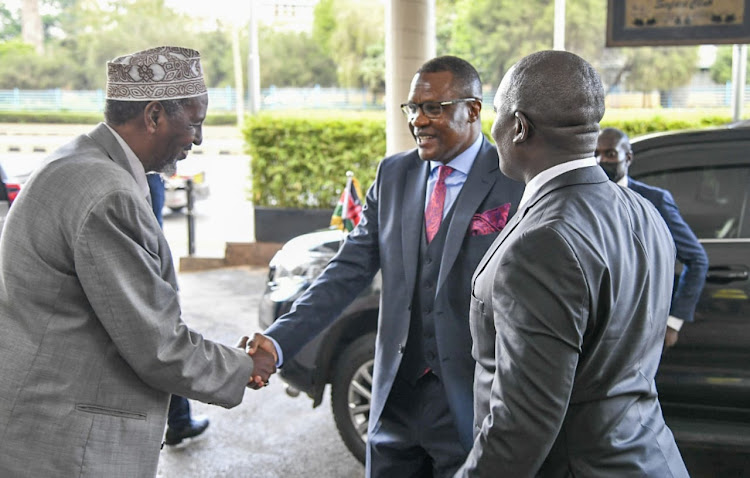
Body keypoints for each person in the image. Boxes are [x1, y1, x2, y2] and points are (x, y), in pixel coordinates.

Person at [0, 46, 275, 477]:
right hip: (65, 446)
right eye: (195, 122)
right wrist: (244, 366)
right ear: (153, 116)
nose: (198, 139)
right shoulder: (109, 194)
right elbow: (157, 344)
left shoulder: (77, 159)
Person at [249, 56, 524, 477]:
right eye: (412, 108)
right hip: (396, 399)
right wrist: (277, 341)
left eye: (433, 108)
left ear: (472, 110)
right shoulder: (394, 174)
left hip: (475, 404)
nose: (418, 120)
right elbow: (346, 271)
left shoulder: (513, 180)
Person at [455, 50, 689, 477]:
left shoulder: (541, 244)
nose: (492, 129)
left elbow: (522, 425)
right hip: (652, 458)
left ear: (519, 127)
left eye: (496, 114)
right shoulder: (643, 211)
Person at [596, 127, 708, 348]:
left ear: (627, 158)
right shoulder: (580, 199)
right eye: (594, 154)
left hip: (638, 330)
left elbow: (697, 259)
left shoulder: (654, 201)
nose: (600, 161)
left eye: (610, 154)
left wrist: (673, 322)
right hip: (593, 328)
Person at [147, 172, 211, 445]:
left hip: (155, 281)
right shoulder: (145, 177)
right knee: (166, 344)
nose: (196, 139)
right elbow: (152, 241)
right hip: (152, 285)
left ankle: (179, 421)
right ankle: (180, 421)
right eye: (193, 125)